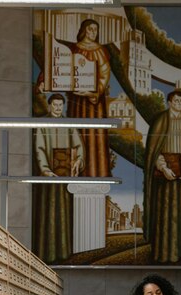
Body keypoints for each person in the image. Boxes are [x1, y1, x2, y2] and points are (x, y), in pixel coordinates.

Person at [143, 89, 181, 263]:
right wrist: (163, 168)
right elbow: (155, 150)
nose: (178, 104)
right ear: (169, 102)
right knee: (165, 217)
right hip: (164, 179)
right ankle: (164, 253)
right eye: (175, 101)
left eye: (180, 102)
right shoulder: (161, 121)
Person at [32, 93, 85, 262]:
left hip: (65, 180)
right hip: (48, 180)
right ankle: (46, 254)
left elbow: (79, 146)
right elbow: (39, 148)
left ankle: (64, 253)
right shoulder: (42, 124)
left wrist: (78, 161)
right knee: (47, 214)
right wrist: (45, 170)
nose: (57, 108)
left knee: (64, 214)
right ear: (49, 106)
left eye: (60, 105)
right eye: (54, 105)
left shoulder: (69, 124)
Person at [66, 19, 111, 177]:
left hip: (94, 103)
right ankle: (76, 168)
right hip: (77, 101)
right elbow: (64, 68)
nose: (93, 32)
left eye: (95, 30)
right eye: (90, 29)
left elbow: (105, 75)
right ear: (84, 30)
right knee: (76, 131)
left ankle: (95, 171)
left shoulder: (101, 51)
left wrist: (94, 92)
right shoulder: (73, 49)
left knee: (94, 135)